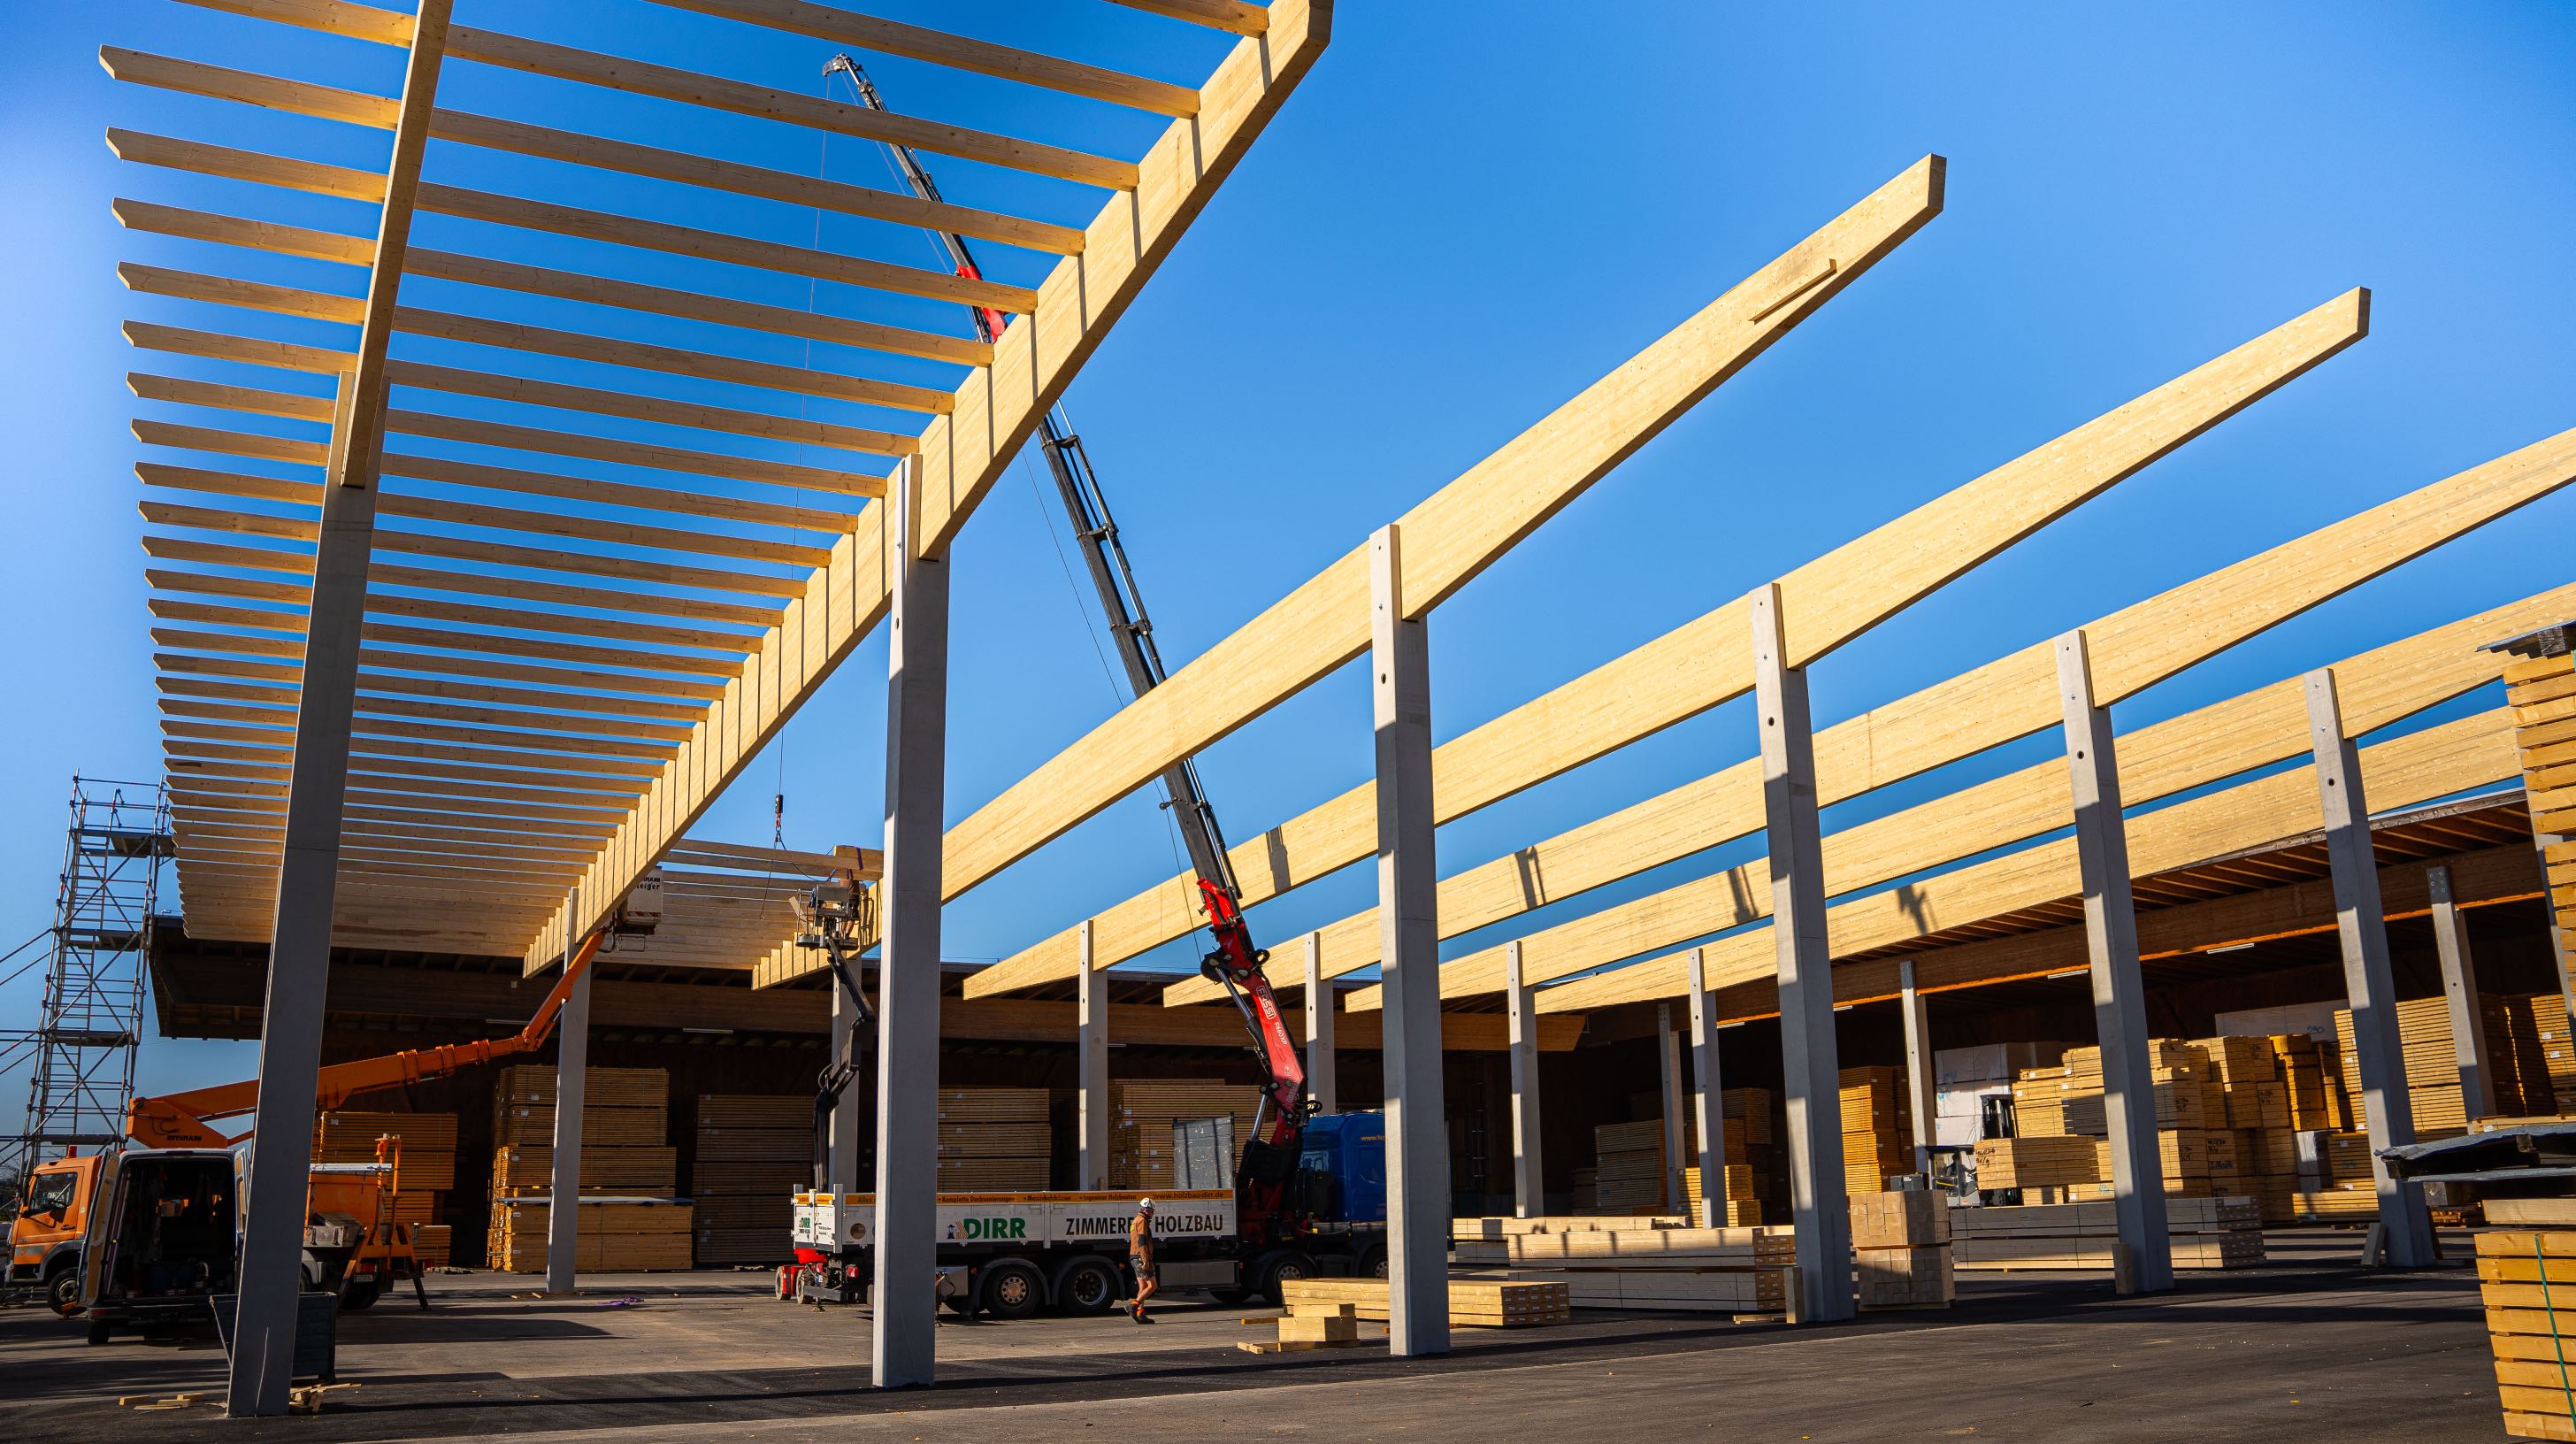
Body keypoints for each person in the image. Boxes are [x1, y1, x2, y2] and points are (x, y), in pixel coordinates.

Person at [1127, 1197, 1158, 1324]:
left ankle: (1141, 1314)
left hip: (1133, 1256)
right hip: (1141, 1257)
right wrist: (1145, 1260)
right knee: (1152, 1285)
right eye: (1151, 1211)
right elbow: (1142, 1241)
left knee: (1143, 1286)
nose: (1152, 1213)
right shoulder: (1142, 1221)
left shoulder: (1135, 1220)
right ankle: (1133, 1307)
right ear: (1145, 1210)